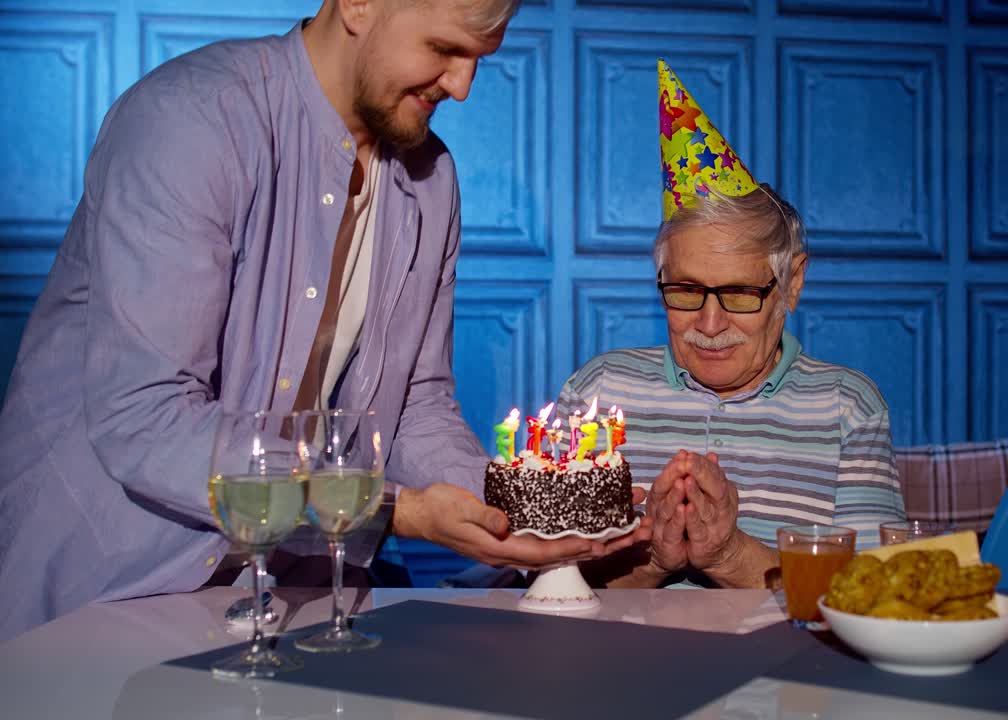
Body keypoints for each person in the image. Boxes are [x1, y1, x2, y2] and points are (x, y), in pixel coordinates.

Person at [0, 0, 647, 642]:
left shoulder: (431, 179)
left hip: (298, 594)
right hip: (110, 589)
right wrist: (391, 510)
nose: (462, 86)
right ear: (359, 5)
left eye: (479, 59)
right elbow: (145, 415)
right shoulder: (191, 120)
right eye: (445, 50)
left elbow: (414, 408)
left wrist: (521, 509)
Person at [562, 60, 903, 590]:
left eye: (741, 293)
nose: (710, 322)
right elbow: (551, 584)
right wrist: (655, 558)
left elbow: (877, 592)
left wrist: (728, 553)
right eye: (685, 290)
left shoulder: (847, 407)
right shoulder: (598, 393)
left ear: (791, 284)